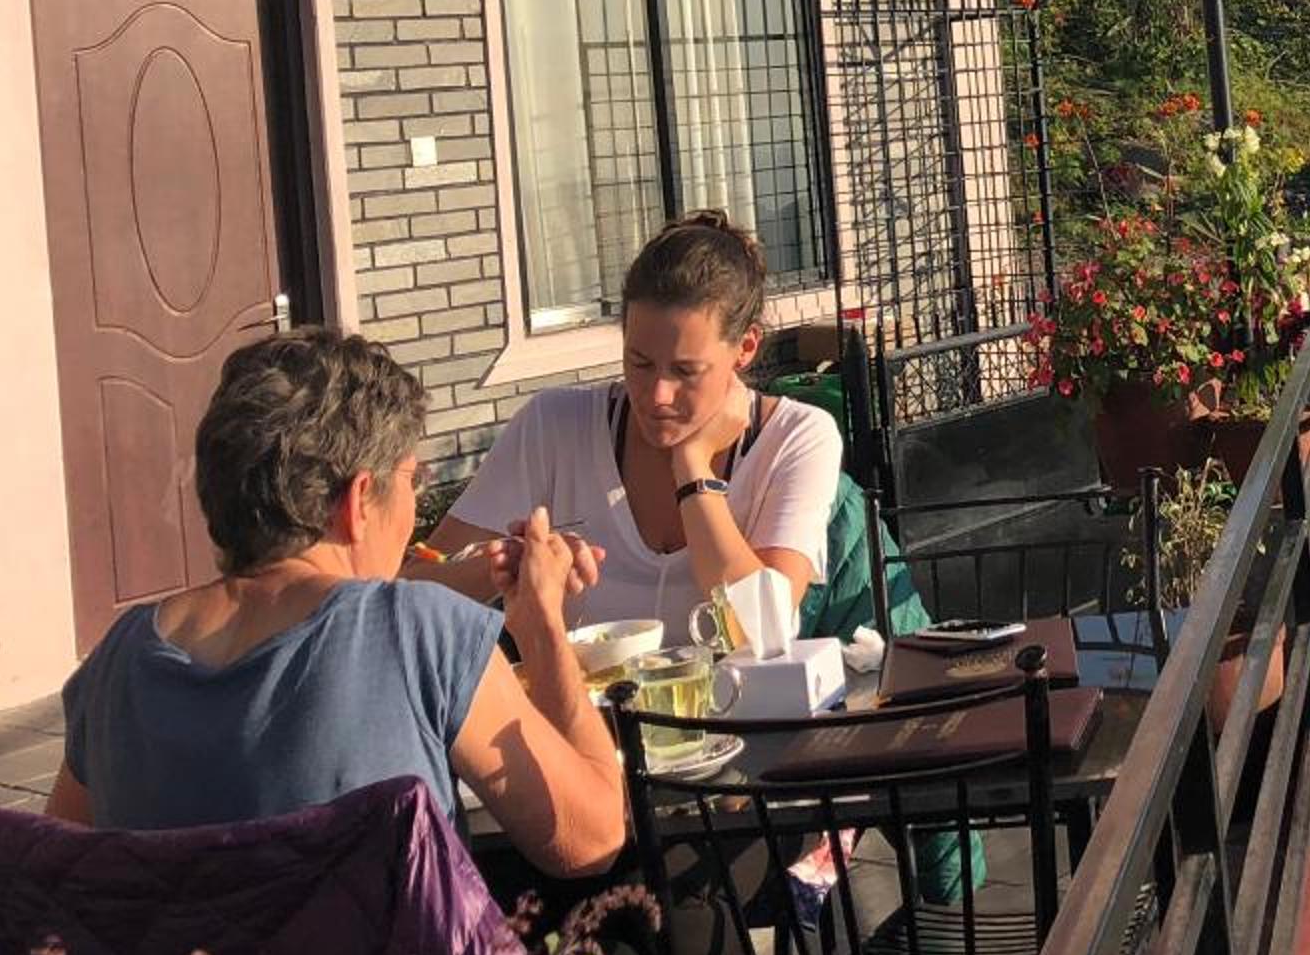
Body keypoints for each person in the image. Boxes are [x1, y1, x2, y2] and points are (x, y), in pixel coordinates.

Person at [45, 329, 625, 879]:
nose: (414, 501)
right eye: (412, 479)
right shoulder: (418, 633)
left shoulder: (119, 660)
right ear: (358, 501)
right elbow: (591, 839)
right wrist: (542, 624)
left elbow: (60, 876)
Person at [420, 209, 843, 641]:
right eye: (639, 363)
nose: (658, 394)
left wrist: (693, 468)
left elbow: (761, 631)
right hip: (579, 688)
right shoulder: (554, 425)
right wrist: (506, 565)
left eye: (685, 371)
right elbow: (413, 585)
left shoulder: (796, 436)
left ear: (746, 347)